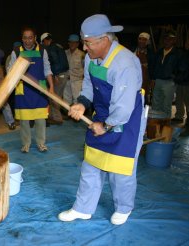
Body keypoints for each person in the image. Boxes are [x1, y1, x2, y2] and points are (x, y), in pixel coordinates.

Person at [58, 14, 146, 225]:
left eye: (88, 43)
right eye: (84, 43)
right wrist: (81, 103)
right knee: (91, 165)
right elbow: (89, 85)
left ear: (104, 40)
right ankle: (83, 208)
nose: (85, 48)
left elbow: (124, 106)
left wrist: (106, 126)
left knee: (120, 169)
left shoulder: (124, 63)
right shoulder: (90, 57)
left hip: (126, 119)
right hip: (102, 114)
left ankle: (124, 208)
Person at [7, 27, 54, 153]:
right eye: (25, 38)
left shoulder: (42, 50)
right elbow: (10, 71)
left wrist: (52, 87)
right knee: (24, 121)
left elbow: (47, 69)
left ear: (35, 38)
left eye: (30, 37)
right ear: (22, 39)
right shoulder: (16, 52)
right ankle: (26, 144)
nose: (28, 41)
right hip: (23, 90)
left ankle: (41, 143)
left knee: (40, 119)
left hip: (40, 89)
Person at [41, 32, 69, 125]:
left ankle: (57, 118)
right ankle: (57, 115)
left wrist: (55, 75)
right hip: (65, 73)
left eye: (43, 42)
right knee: (58, 95)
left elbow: (55, 61)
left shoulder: (51, 48)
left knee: (54, 96)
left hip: (59, 74)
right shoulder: (58, 46)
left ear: (45, 40)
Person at [151, 30, 180, 119]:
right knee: (155, 102)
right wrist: (153, 79)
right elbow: (155, 66)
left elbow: (181, 67)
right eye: (166, 39)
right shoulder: (159, 52)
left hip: (169, 81)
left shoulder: (177, 53)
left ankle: (166, 122)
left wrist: (175, 77)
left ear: (174, 41)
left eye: (170, 39)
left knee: (166, 104)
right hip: (158, 80)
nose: (167, 41)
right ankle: (156, 122)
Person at [133, 32, 155, 105]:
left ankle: (143, 113)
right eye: (140, 39)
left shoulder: (151, 54)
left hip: (145, 79)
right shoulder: (132, 50)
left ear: (148, 42)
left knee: (144, 97)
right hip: (133, 78)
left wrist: (152, 79)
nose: (141, 41)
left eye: (144, 40)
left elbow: (152, 68)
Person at [64, 34, 85, 106]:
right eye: (70, 42)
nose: (72, 44)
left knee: (77, 99)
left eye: (74, 42)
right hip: (66, 80)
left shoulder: (82, 54)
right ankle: (68, 115)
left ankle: (77, 116)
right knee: (66, 100)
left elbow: (85, 68)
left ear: (78, 44)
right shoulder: (64, 53)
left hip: (77, 81)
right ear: (68, 43)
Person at [175, 39, 189, 132]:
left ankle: (188, 121)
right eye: (187, 42)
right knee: (179, 100)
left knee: (188, 102)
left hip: (187, 82)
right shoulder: (183, 53)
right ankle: (179, 116)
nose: (187, 44)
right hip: (180, 81)